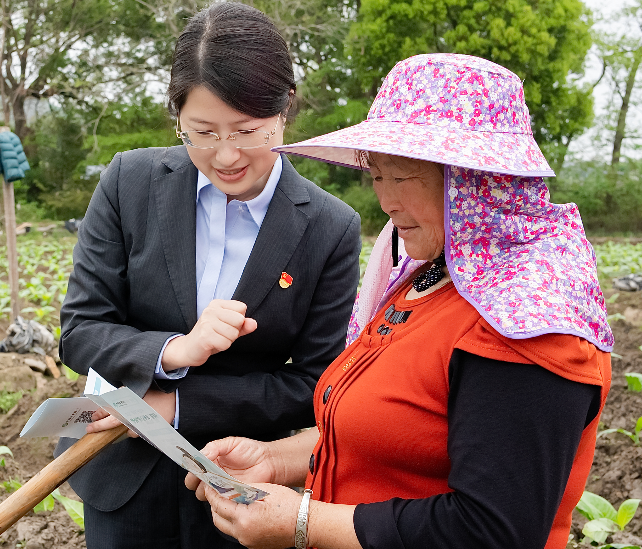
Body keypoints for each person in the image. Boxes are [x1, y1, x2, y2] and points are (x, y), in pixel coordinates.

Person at [183, 53, 613, 549]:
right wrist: (274, 460)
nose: (385, 201)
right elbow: (391, 433)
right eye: (378, 175)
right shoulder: (429, 275)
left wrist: (302, 522)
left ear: (474, 181)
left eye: (403, 177)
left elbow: (493, 531)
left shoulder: (526, 321)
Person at [56, 3, 362, 549]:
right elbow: (82, 330)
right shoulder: (130, 183)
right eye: (201, 132)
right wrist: (174, 350)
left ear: (284, 109)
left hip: (243, 486)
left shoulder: (329, 227)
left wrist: (174, 406)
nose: (226, 155)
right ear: (177, 115)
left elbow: (314, 384)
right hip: (120, 469)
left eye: (247, 131)